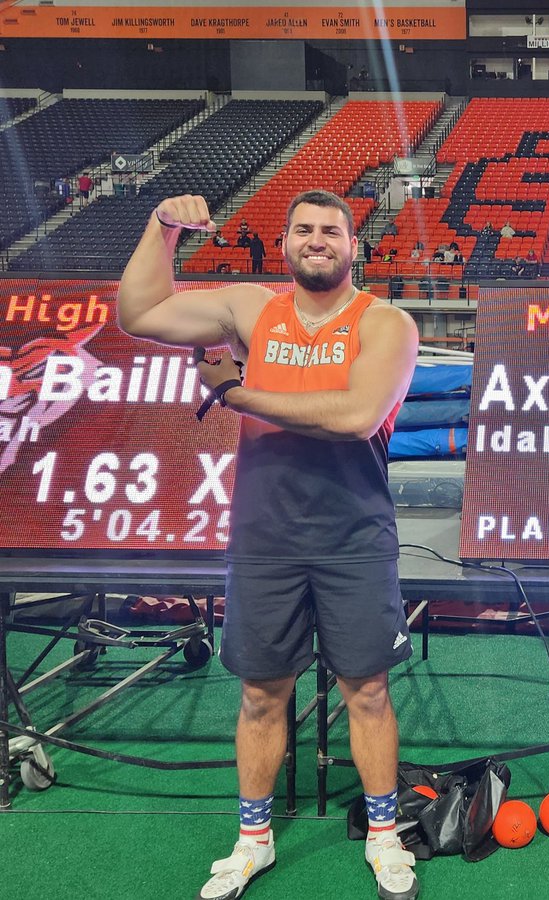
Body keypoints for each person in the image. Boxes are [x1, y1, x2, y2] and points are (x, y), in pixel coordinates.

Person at [117, 191, 420, 900]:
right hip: (264, 538)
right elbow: (138, 313)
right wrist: (161, 227)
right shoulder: (251, 309)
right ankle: (253, 840)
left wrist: (241, 394)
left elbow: (353, 416)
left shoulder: (387, 323)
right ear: (284, 242)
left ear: (355, 247)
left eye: (333, 231)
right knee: (260, 694)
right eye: (305, 229)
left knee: (368, 692)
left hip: (353, 537)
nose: (319, 240)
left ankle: (384, 836)